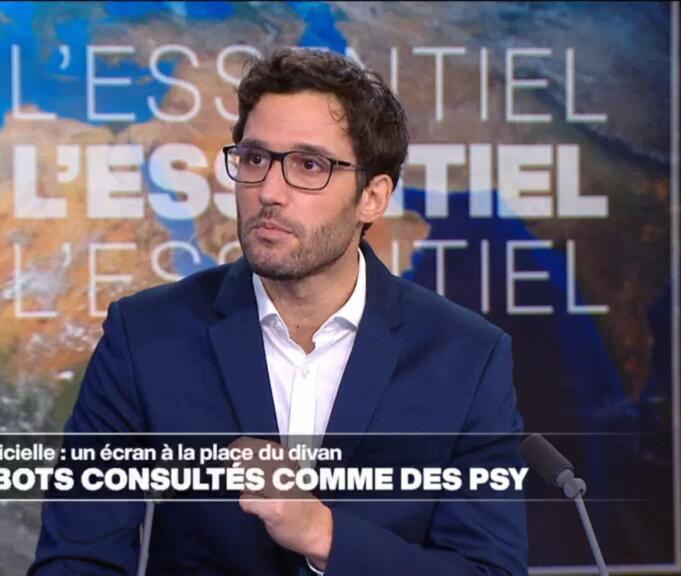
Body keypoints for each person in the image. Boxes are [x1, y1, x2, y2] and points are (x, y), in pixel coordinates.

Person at [30, 47, 526, 576]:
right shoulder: (146, 337)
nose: (268, 191)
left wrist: (325, 536)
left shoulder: (466, 358)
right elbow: (75, 561)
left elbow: (489, 571)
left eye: (309, 165)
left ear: (373, 197)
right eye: (254, 159)